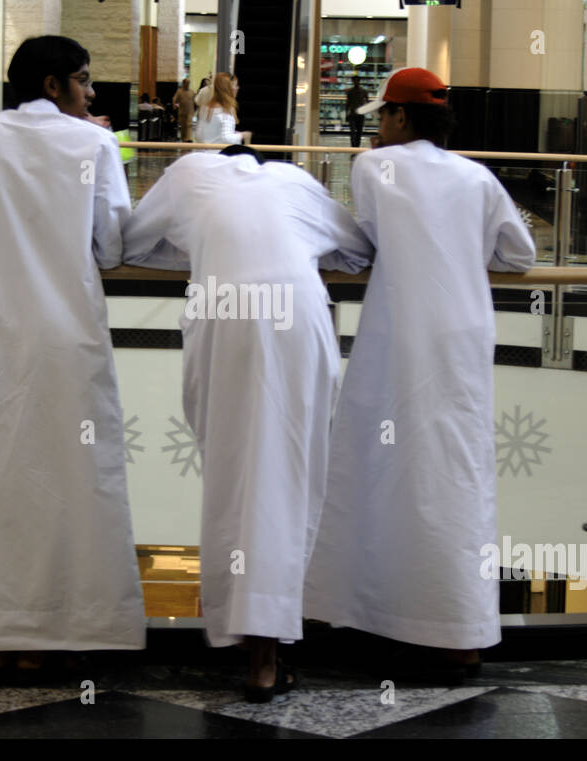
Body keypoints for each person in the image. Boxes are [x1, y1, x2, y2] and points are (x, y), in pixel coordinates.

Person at [0, 35, 145, 682]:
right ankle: (57, 632)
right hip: (61, 341)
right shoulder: (93, 144)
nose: (92, 93)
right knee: (67, 486)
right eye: (83, 80)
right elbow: (110, 245)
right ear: (52, 85)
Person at [303, 68, 536, 679]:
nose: (377, 128)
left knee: (376, 466)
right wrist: (460, 251)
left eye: (382, 116)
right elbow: (519, 254)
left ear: (401, 117)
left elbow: (365, 242)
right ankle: (458, 631)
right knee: (455, 471)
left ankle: (364, 612)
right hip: (462, 336)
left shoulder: (373, 167)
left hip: (395, 333)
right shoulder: (476, 176)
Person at [121, 145, 373, 702]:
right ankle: (266, 648)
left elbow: (128, 244)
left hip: (221, 313)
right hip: (295, 314)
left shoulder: (187, 172)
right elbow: (357, 252)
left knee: (232, 474)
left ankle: (241, 631)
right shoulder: (296, 181)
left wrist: (203, 254)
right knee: (289, 475)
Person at [195, 72, 251, 147]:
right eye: (236, 85)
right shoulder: (226, 110)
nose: (238, 88)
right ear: (228, 88)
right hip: (218, 154)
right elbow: (226, 138)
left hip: (201, 152)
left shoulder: (204, 108)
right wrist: (243, 135)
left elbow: (198, 135)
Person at [345, 75, 369, 148]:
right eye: (354, 80)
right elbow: (348, 103)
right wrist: (347, 113)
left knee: (358, 132)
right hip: (353, 114)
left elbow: (367, 102)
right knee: (353, 132)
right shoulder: (351, 92)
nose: (356, 82)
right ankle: (354, 146)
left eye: (357, 80)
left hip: (359, 114)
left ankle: (356, 146)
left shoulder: (363, 91)